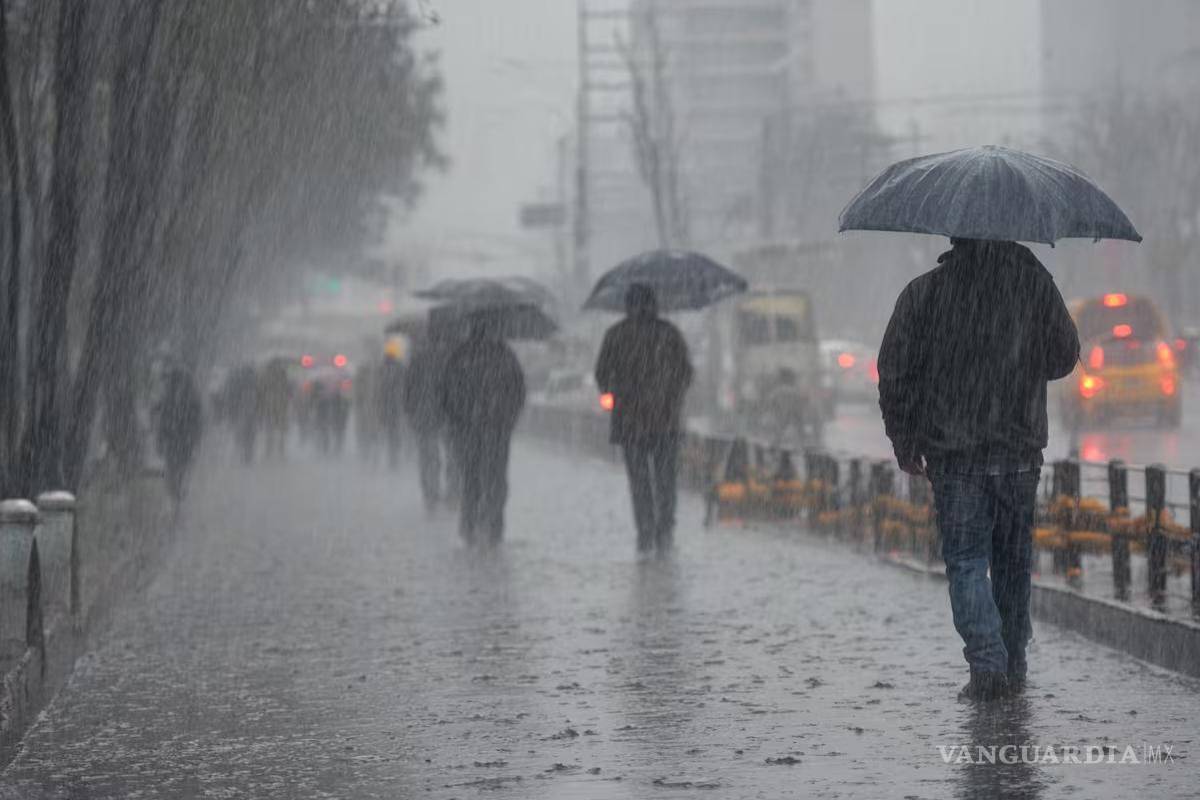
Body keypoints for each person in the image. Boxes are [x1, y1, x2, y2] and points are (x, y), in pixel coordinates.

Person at [877, 238, 1079, 701]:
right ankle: (1014, 662)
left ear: (954, 236)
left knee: (967, 562)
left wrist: (905, 440)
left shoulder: (924, 294)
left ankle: (988, 665)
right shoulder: (1032, 285)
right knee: (1013, 563)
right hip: (1019, 449)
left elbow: (895, 372)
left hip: (954, 453)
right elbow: (1064, 356)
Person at [594, 284, 693, 552]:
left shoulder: (616, 335)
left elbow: (602, 374)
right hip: (666, 420)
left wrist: (613, 394)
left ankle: (645, 531)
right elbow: (686, 373)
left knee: (639, 481)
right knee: (665, 480)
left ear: (628, 305)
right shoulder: (669, 333)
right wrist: (671, 395)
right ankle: (665, 530)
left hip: (630, 421)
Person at [441, 315, 526, 544]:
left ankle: (469, 527)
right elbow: (518, 392)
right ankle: (494, 527)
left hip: (467, 429)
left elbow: (446, 393)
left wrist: (457, 420)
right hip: (497, 429)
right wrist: (507, 419)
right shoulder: (505, 355)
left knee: (471, 479)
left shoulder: (460, 355)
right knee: (496, 478)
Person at [404, 330, 456, 512]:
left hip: (425, 416)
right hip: (449, 416)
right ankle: (452, 495)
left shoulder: (418, 360)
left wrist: (411, 412)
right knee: (453, 458)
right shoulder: (453, 359)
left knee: (428, 459)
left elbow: (408, 391)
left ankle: (431, 495)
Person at [156, 366, 204, 503]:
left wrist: (195, 439)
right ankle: (177, 495)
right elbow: (163, 420)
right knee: (176, 471)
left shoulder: (186, 397)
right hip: (178, 441)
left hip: (180, 441)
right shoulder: (172, 396)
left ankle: (177, 495)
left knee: (177, 471)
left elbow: (197, 421)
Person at [376, 343, 407, 469]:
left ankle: (392, 458)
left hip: (389, 406)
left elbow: (380, 389)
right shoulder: (400, 368)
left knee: (390, 435)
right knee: (394, 435)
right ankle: (394, 458)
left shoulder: (383, 369)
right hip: (394, 407)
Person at [259, 359, 292, 460]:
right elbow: (288, 389)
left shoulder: (266, 375)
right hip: (281, 404)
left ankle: (269, 449)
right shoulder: (283, 374)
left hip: (270, 404)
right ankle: (281, 449)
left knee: (270, 427)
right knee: (280, 428)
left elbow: (261, 390)